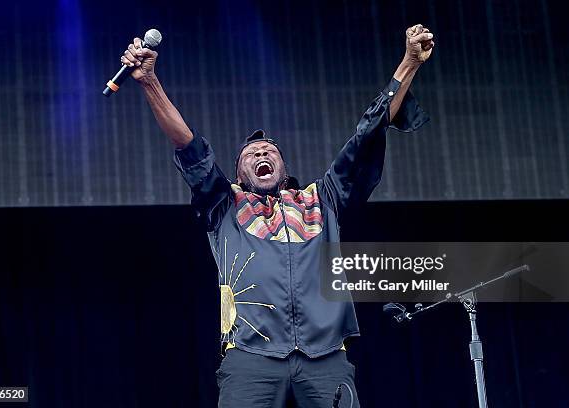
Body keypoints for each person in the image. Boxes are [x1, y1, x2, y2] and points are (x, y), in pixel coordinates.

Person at [120, 23, 434, 408]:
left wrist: (408, 64)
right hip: (250, 358)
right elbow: (189, 146)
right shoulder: (225, 204)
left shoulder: (322, 199)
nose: (262, 154)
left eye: (270, 151)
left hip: (326, 357)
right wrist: (150, 81)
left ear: (284, 168)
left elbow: (365, 138)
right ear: (238, 174)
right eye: (251, 155)